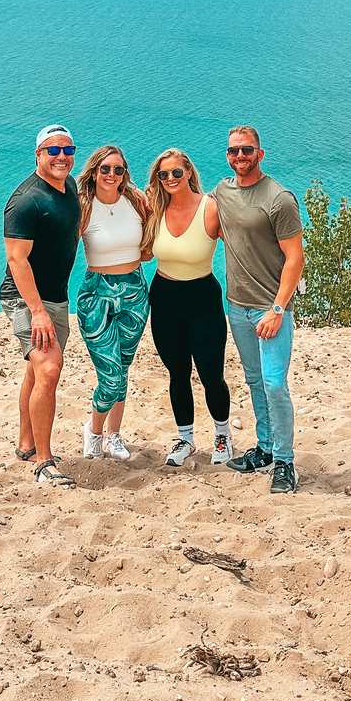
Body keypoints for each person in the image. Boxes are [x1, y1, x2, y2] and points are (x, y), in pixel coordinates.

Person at [213, 124, 305, 494]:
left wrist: (278, 309)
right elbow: (188, 209)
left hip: (270, 311)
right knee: (254, 381)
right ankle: (265, 448)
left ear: (260, 154)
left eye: (247, 150)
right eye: (234, 151)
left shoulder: (279, 198)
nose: (240, 157)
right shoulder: (222, 192)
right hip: (237, 307)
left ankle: (285, 461)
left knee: (274, 384)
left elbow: (295, 258)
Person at [0, 124, 80, 489]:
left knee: (36, 371)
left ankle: (26, 442)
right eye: (53, 151)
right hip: (26, 298)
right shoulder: (26, 200)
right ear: (38, 155)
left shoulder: (71, 188)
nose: (61, 157)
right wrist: (37, 311)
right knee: (49, 369)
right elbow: (17, 261)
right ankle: (44, 462)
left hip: (56, 297)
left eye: (68, 150)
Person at [144, 148, 233, 469]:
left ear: (189, 174)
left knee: (212, 374)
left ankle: (222, 435)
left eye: (176, 173)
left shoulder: (210, 208)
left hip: (203, 299)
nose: (169, 179)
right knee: (177, 373)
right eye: (163, 175)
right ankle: (186, 438)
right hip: (164, 298)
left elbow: (242, 244)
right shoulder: (154, 209)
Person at [76, 144, 152, 461]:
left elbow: (151, 240)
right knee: (110, 376)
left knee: (123, 367)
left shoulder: (135, 201)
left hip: (135, 290)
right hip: (97, 294)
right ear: (94, 172)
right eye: (105, 169)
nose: (111, 174)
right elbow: (59, 243)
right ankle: (93, 432)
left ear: (125, 174)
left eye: (118, 169)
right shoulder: (82, 205)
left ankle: (114, 436)